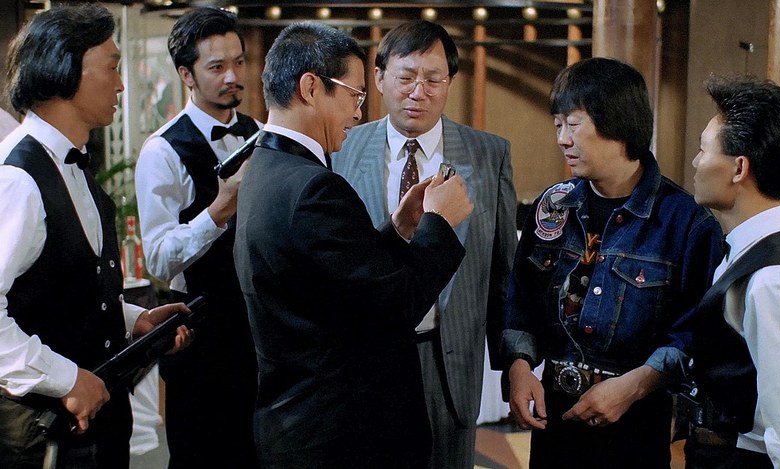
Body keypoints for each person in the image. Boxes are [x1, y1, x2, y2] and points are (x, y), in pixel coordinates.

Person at [233, 21, 474, 469]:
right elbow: (396, 305)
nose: (359, 113)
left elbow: (335, 282)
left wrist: (398, 228)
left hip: (299, 424)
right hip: (338, 436)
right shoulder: (314, 187)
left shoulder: (266, 166)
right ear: (311, 88)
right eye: (354, 95)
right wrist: (439, 224)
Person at [501, 57, 724, 468]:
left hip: (635, 419)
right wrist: (519, 367)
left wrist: (635, 386)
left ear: (617, 123)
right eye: (557, 125)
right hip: (555, 416)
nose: (562, 139)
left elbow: (694, 334)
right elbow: (520, 300)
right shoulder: (553, 206)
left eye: (573, 124)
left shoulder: (684, 221)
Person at [0, 4, 191, 468]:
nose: (122, 85)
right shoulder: (19, 178)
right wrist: (66, 378)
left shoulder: (72, 161)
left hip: (95, 429)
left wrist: (133, 320)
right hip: (43, 435)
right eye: (111, 67)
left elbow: (57, 289)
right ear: (65, 70)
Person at [332, 20, 517, 468]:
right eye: (406, 78)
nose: (419, 92)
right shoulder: (341, 147)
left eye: (434, 79)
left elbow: (503, 275)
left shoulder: (489, 155)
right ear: (379, 78)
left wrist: (514, 364)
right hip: (362, 362)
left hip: (447, 360)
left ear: (450, 82)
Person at [134, 7, 261, 468]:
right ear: (186, 74)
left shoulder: (259, 133)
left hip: (258, 333)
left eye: (239, 62)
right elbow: (159, 259)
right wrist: (219, 209)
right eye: (217, 66)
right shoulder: (162, 151)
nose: (233, 76)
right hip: (200, 337)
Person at [685, 75, 780, 468]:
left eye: (704, 149)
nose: (696, 162)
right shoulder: (758, 248)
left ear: (738, 168)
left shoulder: (775, 281)